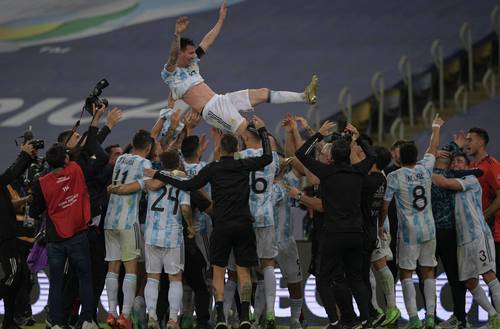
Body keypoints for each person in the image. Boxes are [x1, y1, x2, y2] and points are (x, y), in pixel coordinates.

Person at [144, 115, 272, 329]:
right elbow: (268, 157)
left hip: (221, 226)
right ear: (237, 148)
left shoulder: (213, 168)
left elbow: (188, 185)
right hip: (243, 225)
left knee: (219, 271)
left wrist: (160, 174)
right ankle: (244, 317)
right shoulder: (243, 164)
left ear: (220, 149)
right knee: (243, 272)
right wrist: (263, 130)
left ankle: (220, 314)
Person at [161, 3, 318, 136]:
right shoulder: (170, 73)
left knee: (262, 93)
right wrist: (177, 35)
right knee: (247, 132)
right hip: (211, 110)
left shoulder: (193, 62)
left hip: (220, 99)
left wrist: (221, 20)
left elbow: (207, 41)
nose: (194, 55)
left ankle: (305, 97)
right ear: (181, 53)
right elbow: (173, 56)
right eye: (190, 53)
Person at [295, 121, 376, 329]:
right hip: (355, 233)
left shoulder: (326, 173)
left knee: (323, 279)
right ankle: (367, 321)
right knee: (356, 279)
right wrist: (357, 137)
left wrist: (319, 135)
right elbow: (373, 157)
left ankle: (334, 321)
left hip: (333, 234)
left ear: (331, 158)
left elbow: (301, 154)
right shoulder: (358, 172)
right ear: (348, 154)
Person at [109, 150, 195, 329]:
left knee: (152, 278)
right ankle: (172, 320)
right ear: (178, 162)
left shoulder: (151, 180)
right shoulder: (182, 181)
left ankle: (152, 317)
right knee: (175, 278)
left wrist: (113, 188)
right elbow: (185, 208)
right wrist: (190, 225)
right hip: (172, 236)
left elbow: (128, 188)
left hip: (151, 235)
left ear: (161, 164)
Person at [380, 114, 445, 329]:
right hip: (429, 230)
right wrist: (435, 127)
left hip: (408, 232)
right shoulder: (425, 168)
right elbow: (433, 148)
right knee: (428, 271)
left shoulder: (394, 177)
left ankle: (414, 319)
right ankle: (430, 317)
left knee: (406, 273)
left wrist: (381, 225)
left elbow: (385, 205)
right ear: (417, 157)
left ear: (398, 158)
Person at [29, 143, 97, 329]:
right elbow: (78, 153)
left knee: (56, 282)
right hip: (77, 235)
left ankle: (56, 323)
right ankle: (87, 321)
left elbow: (35, 211)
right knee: (84, 277)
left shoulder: (42, 182)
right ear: (66, 159)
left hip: (55, 239)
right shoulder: (75, 169)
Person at [432, 152, 500, 329]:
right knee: (470, 282)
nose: (456, 164)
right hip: (462, 241)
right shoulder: (453, 184)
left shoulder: (470, 179)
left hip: (477, 235)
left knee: (488, 275)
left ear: (468, 166)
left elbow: (443, 182)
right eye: (453, 162)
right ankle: (493, 316)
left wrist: (420, 170)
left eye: (460, 161)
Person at [104, 129, 153, 329]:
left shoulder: (122, 158)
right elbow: (137, 187)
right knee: (131, 268)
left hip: (110, 220)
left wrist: (114, 188)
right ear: (149, 148)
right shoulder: (145, 164)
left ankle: (111, 313)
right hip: (127, 221)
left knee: (113, 268)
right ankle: (125, 315)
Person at [239, 128, 280, 328]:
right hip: (266, 217)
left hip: (246, 218)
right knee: (268, 264)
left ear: (246, 138)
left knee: (243, 268)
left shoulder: (241, 157)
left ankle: (244, 316)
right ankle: (271, 312)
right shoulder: (272, 157)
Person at [0, 143, 36, 329]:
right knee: (14, 275)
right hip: (4, 237)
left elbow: (8, 204)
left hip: (9, 234)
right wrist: (24, 155)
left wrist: (25, 200)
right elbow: (10, 175)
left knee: (19, 277)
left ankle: (9, 322)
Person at [462, 128, 500, 278]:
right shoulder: (471, 167)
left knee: (495, 278)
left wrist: (484, 216)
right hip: (478, 233)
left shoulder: (492, 165)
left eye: (470, 140)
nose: (466, 143)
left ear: (481, 142)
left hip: (495, 233)